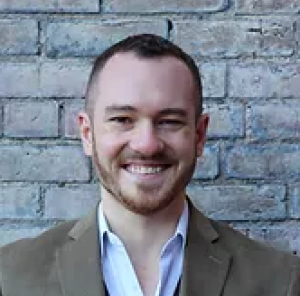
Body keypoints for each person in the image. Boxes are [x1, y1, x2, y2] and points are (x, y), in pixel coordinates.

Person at [0, 34, 299, 296]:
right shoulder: (11, 276)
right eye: (122, 120)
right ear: (88, 135)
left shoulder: (279, 279)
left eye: (169, 121)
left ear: (199, 135)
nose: (146, 144)